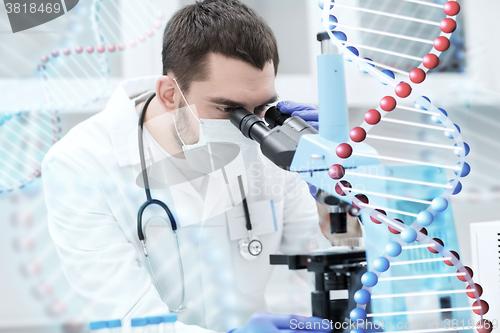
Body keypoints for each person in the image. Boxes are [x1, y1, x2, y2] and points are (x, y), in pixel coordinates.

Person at [42, 1, 331, 332]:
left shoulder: (272, 147)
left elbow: (313, 265)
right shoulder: (81, 164)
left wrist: (338, 193)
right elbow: (127, 318)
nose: (250, 127)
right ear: (169, 95)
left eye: (262, 106)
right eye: (228, 109)